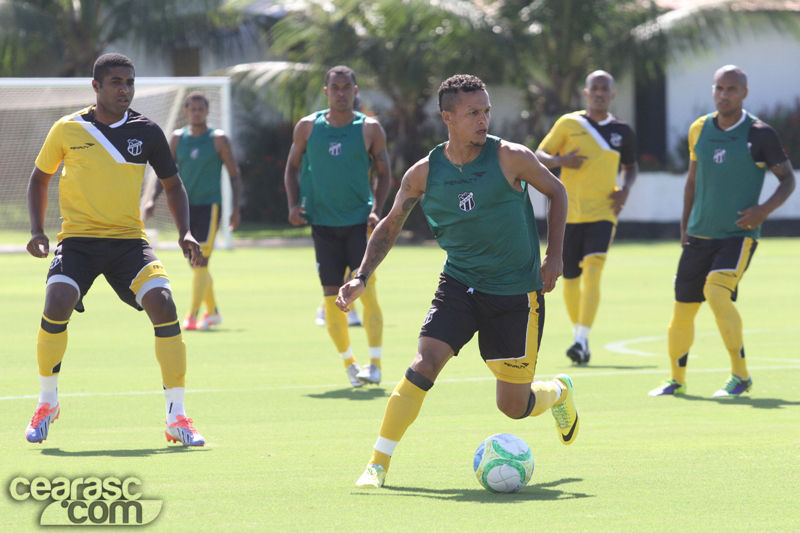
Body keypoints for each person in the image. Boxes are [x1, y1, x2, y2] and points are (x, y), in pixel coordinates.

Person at [336, 74, 576, 489]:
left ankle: (558, 391)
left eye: (485, 111)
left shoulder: (510, 157)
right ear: (448, 117)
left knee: (512, 407)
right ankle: (377, 464)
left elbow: (557, 192)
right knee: (425, 362)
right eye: (472, 113)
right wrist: (361, 277)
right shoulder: (423, 173)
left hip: (516, 294)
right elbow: (390, 225)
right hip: (459, 284)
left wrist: (554, 256)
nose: (483, 119)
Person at [24, 53, 205, 446]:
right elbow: (40, 179)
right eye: (116, 82)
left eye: (130, 82)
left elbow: (173, 185)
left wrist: (185, 232)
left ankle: (178, 416)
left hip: (129, 243)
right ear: (96, 87)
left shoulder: (149, 132)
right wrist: (38, 230)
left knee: (164, 303)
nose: (125, 90)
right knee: (57, 300)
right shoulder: (67, 129)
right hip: (79, 242)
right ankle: (47, 402)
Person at [649, 65, 795, 398]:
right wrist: (685, 226)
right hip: (699, 235)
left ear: (745, 93)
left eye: (732, 89)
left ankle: (740, 376)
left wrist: (762, 211)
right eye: (719, 88)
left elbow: (788, 179)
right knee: (683, 308)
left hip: (737, 236)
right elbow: (691, 182)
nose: (724, 94)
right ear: (713, 91)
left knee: (716, 293)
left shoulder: (760, 134)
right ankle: (676, 379)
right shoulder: (699, 129)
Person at [284, 65, 391, 388]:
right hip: (323, 225)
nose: (341, 93)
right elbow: (291, 168)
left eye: (347, 87)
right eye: (335, 87)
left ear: (355, 91)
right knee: (331, 297)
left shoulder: (369, 129)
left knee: (366, 292)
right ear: (326, 91)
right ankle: (350, 364)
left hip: (359, 224)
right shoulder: (307, 127)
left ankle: (375, 364)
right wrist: (292, 205)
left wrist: (377, 210)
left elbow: (385, 174)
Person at [535, 70, 638, 365]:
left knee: (593, 271)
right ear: (586, 92)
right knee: (569, 279)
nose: (600, 93)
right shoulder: (569, 123)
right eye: (595, 88)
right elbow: (539, 154)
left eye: (605, 89)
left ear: (612, 94)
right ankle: (579, 336)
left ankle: (581, 340)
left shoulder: (622, 131)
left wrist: (625, 189)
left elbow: (631, 167)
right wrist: (560, 161)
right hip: (567, 213)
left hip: (603, 212)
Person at [144, 91, 242, 331]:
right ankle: (214, 312)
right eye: (192, 109)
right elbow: (164, 171)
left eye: (201, 109)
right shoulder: (177, 138)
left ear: (207, 111)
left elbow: (234, 173)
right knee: (194, 261)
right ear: (185, 112)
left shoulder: (218, 139)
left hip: (210, 206)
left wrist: (236, 207)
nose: (197, 113)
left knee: (202, 260)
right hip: (184, 207)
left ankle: (191, 315)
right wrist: (152, 200)